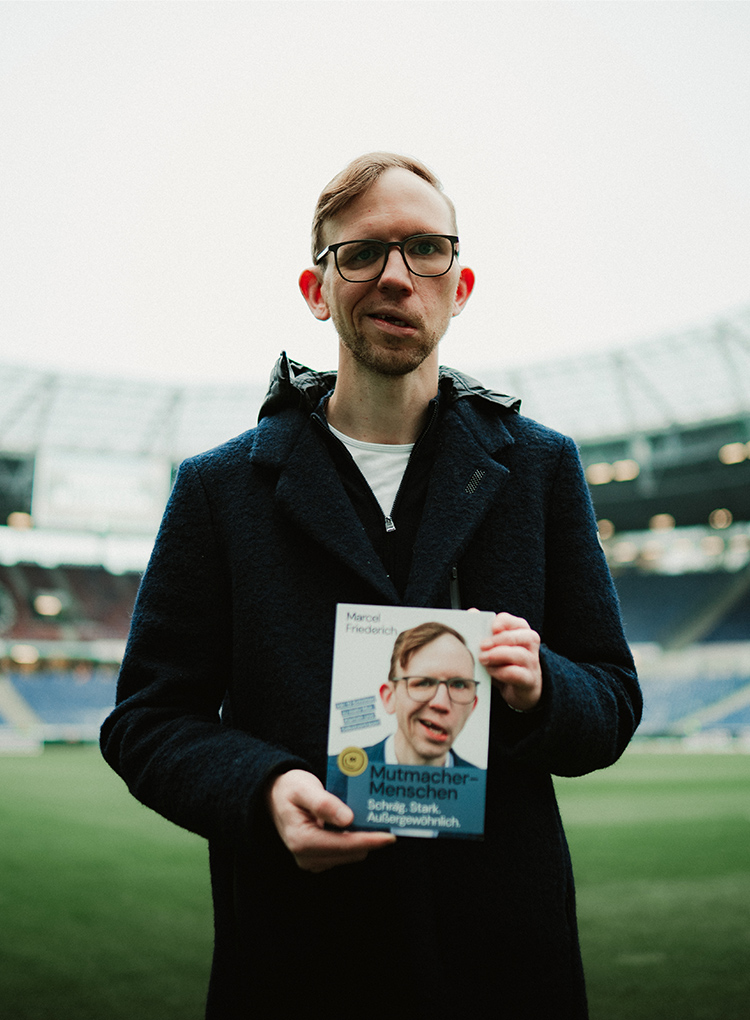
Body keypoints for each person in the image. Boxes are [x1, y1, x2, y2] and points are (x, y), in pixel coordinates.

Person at [101, 152, 641, 1018]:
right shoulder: (219, 489)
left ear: (459, 285)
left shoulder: (540, 468)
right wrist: (265, 789)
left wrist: (545, 688)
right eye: (362, 253)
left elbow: (612, 699)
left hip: (505, 966)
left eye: (424, 249)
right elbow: (146, 721)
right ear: (318, 290)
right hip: (297, 959)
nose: (396, 275)